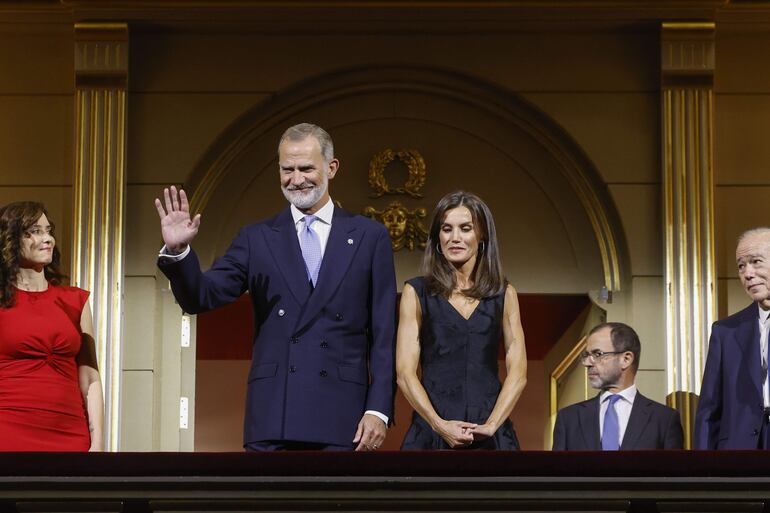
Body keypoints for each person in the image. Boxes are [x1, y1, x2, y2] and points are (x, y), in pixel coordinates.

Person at [155, 123, 396, 451]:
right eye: (287, 169)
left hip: (344, 415)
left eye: (307, 168)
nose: (297, 179)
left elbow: (384, 334)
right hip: (274, 415)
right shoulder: (257, 238)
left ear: (331, 167)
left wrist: (378, 408)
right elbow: (202, 296)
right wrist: (178, 252)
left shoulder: (370, 236)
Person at [396, 190, 526, 450]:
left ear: (482, 236)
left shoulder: (504, 293)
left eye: (465, 229)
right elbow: (405, 374)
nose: (455, 238)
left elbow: (519, 372)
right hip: (432, 435)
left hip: (491, 436)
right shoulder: (416, 292)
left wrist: (492, 425)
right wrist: (439, 425)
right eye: (446, 229)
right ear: (437, 237)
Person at [0, 201, 103, 451]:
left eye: (49, 231)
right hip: (8, 430)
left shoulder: (76, 300)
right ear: (10, 240)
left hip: (70, 435)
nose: (47, 239)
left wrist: (98, 444)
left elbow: (90, 377)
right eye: (35, 231)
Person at [552, 322, 683, 450]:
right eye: (586, 355)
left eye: (597, 354)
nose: (587, 363)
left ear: (626, 359)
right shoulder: (568, 419)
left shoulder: (664, 419)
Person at [695, 227, 770, 449]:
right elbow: (709, 409)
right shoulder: (726, 332)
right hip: (741, 448)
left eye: (756, 261)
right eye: (741, 266)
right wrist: (704, 471)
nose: (747, 273)